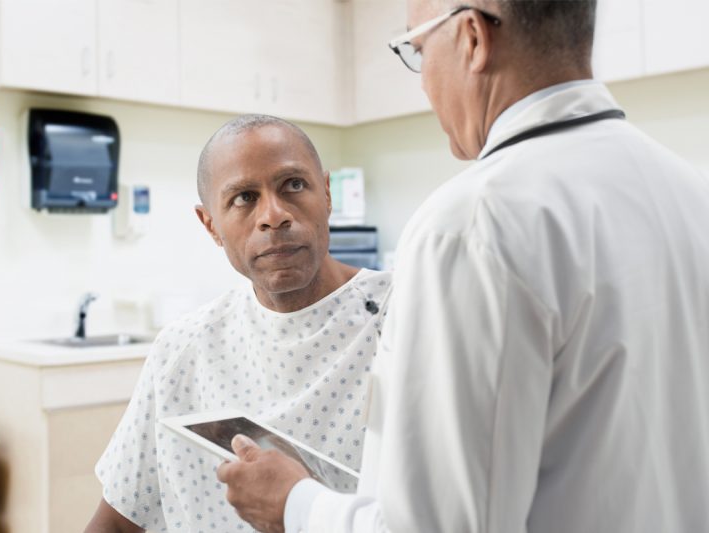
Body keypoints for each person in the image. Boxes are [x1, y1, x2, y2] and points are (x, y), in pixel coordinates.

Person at [217, 1, 709, 532]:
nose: (424, 82)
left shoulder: (471, 225)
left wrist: (296, 503)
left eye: (419, 49)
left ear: (472, 38)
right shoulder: (689, 193)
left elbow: (443, 526)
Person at [84, 115, 392, 532]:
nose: (274, 215)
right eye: (245, 197)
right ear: (210, 224)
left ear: (328, 194)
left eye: (294, 185)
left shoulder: (402, 319)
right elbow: (118, 522)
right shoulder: (183, 350)